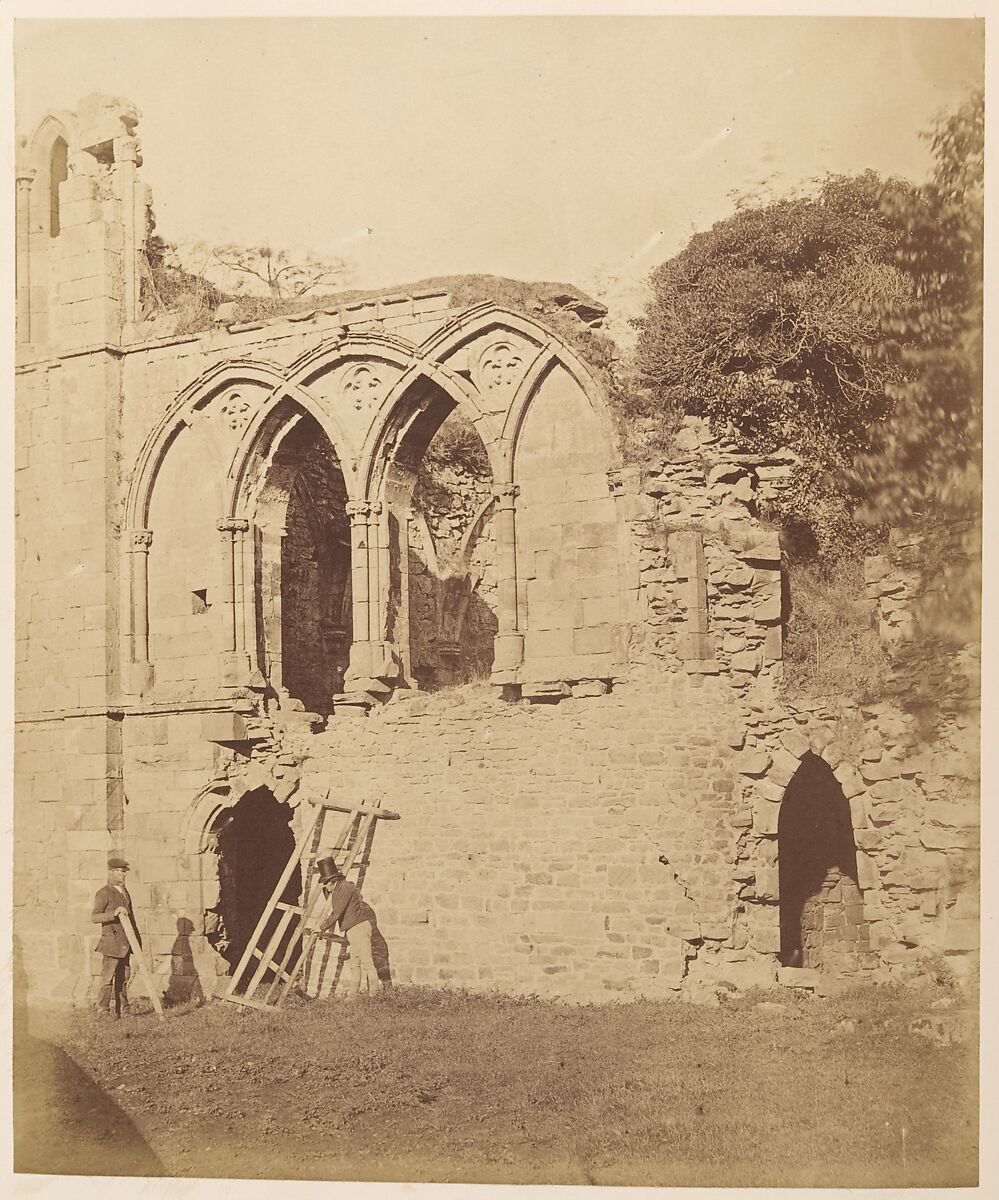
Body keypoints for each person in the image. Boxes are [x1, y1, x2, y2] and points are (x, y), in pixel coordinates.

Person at [315, 856, 381, 995]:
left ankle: (374, 994)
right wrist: (326, 889)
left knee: (367, 962)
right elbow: (330, 899)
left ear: (333, 881)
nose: (325, 887)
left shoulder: (345, 888)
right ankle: (353, 995)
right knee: (354, 963)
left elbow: (337, 912)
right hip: (352, 929)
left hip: (359, 928)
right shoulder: (339, 888)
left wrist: (321, 927)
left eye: (326, 884)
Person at [91, 855, 139, 1017]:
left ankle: (123, 1010)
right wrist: (114, 913)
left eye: (124, 872)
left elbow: (131, 919)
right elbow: (95, 917)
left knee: (123, 978)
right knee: (107, 979)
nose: (123, 874)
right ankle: (103, 1010)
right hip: (111, 943)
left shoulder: (125, 892)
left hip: (126, 943)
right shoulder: (103, 893)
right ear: (111, 872)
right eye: (119, 871)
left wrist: (137, 943)